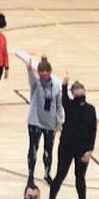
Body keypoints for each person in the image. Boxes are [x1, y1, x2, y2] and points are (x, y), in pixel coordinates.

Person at [49, 77, 96, 199]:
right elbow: (63, 97)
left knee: (80, 177)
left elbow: (93, 130)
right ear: (73, 94)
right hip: (67, 146)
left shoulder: (90, 109)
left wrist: (90, 150)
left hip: (83, 148)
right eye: (77, 92)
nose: (81, 95)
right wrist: (64, 84)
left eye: (82, 91)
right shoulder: (69, 105)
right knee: (60, 175)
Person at [25, 56, 61, 186]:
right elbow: (31, 78)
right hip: (35, 121)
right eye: (42, 72)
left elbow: (58, 105)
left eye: (47, 71)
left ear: (51, 71)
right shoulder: (36, 84)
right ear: (39, 73)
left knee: (48, 150)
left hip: (50, 123)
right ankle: (30, 174)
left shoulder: (56, 86)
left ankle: (47, 173)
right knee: (33, 148)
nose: (45, 74)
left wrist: (59, 123)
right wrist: (29, 68)